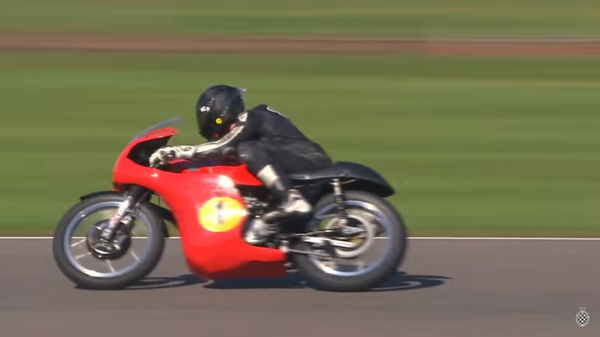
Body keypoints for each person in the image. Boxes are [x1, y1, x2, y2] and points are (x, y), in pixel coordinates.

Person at [149, 85, 332, 244]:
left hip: (308, 160)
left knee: (247, 149)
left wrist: (176, 152)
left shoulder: (252, 118)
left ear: (222, 113)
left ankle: (290, 199)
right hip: (300, 162)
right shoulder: (254, 124)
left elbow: (224, 145)